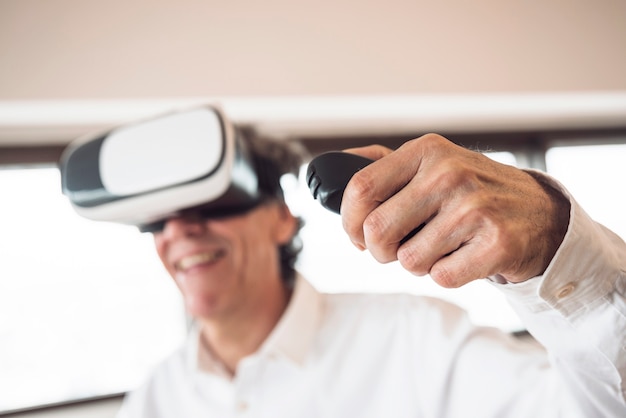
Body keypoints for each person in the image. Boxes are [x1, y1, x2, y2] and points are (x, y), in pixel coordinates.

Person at [114, 128, 626, 418]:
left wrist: (554, 243)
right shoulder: (154, 400)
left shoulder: (417, 340)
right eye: (158, 217)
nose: (180, 229)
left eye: (213, 202)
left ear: (279, 218)